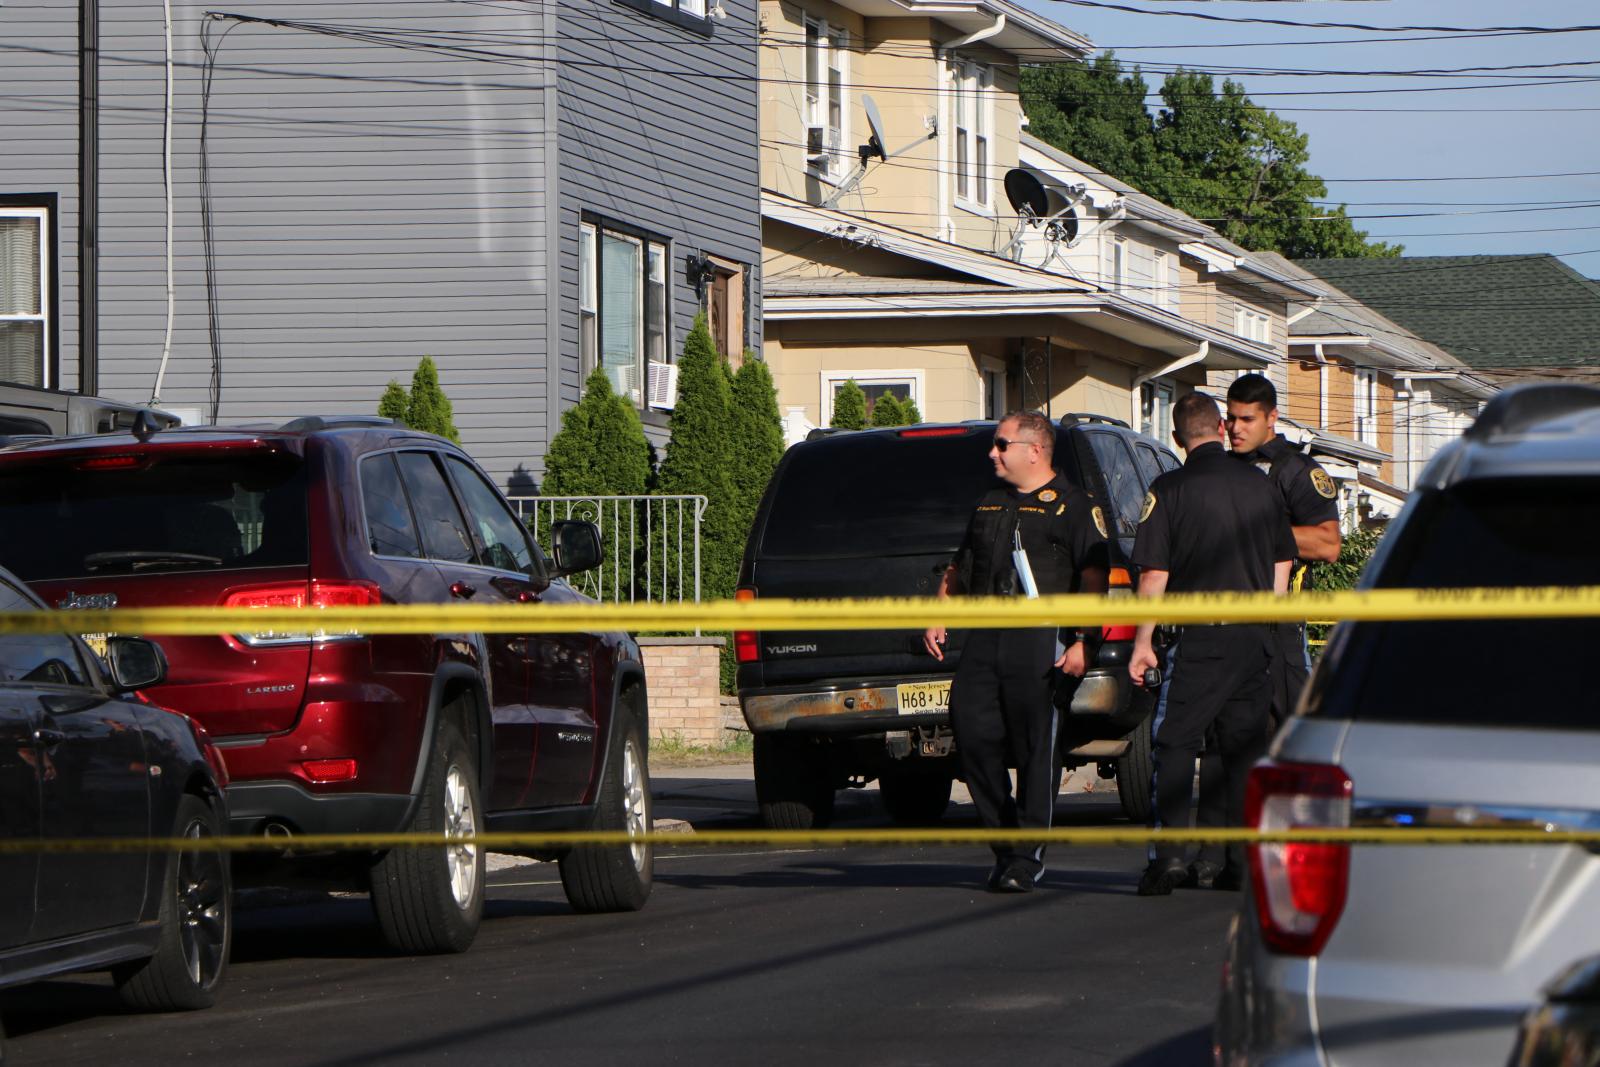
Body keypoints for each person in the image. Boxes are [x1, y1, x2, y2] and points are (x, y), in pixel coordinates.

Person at [923, 411, 1109, 893]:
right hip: (987, 636)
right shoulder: (989, 503)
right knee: (971, 731)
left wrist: (1084, 642)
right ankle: (1006, 842)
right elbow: (961, 566)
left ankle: (1027, 857)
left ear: (1034, 450)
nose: (993, 453)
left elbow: (1094, 580)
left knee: (1034, 750)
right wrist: (940, 612)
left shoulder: (1073, 506)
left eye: (1002, 445)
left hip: (1041, 641)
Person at [1127, 392, 1296, 897]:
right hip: (1252, 637)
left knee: (1175, 742)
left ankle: (1170, 857)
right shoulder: (1261, 488)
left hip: (1199, 638)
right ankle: (1239, 864)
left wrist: (1143, 642)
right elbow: (1281, 564)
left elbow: (1154, 573)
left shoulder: (1169, 488)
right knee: (1242, 751)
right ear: (1221, 428)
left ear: (1178, 439)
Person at [1181, 373, 1344, 888]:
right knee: (1218, 742)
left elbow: (1327, 543)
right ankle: (1214, 853)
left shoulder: (1296, 471)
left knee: (1286, 740)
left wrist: (1253, 530)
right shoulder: (1220, 469)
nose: (1234, 428)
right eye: (1229, 418)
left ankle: (1294, 852)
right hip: (1223, 625)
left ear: (1272, 417)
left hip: (1278, 627)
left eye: (1245, 419)